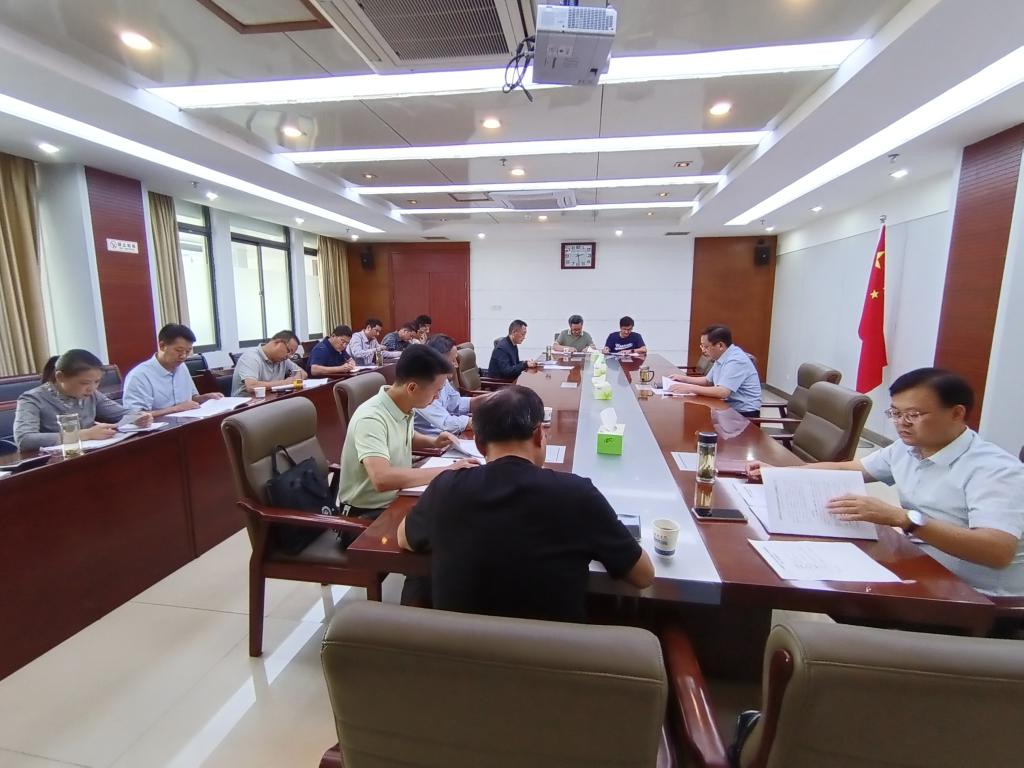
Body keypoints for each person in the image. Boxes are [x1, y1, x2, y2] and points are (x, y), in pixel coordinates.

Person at [749, 368, 1024, 596]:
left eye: (913, 415)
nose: (902, 423)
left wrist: (903, 519)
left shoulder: (995, 470)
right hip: (920, 564)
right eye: (895, 413)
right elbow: (851, 469)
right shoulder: (908, 447)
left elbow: (997, 551)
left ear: (956, 413)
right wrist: (780, 473)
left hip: (974, 596)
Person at [398, 385, 655, 622]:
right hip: (553, 653)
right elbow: (644, 576)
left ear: (478, 443)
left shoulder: (446, 487)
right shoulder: (577, 494)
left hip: (462, 651)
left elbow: (403, 537)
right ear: (539, 435)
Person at [335, 345, 478, 518]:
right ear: (411, 388)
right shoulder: (371, 418)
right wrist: (447, 470)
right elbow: (382, 479)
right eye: (436, 391)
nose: (437, 397)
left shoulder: (403, 406)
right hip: (368, 513)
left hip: (400, 496)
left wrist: (433, 442)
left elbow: (405, 436)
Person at [14, 349, 152, 451]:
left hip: (89, 455)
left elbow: (123, 413)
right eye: (84, 383)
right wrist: (85, 434)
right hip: (51, 463)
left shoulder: (92, 394)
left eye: (97, 382)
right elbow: (25, 439)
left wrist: (138, 418)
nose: (92, 388)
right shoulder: (32, 399)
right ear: (60, 377)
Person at [123, 323, 224, 417]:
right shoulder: (140, 375)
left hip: (187, 423)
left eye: (187, 351)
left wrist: (206, 398)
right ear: (162, 346)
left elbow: (191, 399)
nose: (183, 356)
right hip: (161, 429)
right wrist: (175, 409)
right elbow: (134, 416)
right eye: (179, 350)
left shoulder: (182, 367)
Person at [668, 325, 761, 417]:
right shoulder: (722, 356)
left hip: (743, 415)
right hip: (725, 408)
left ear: (720, 345)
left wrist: (690, 388)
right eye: (702, 346)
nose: (703, 350)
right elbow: (707, 381)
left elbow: (722, 392)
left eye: (706, 347)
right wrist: (683, 379)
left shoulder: (736, 360)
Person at [414, 334, 490, 436]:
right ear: (439, 360)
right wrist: (482, 422)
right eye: (452, 360)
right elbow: (446, 423)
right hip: (432, 442)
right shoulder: (422, 385)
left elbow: (455, 403)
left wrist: (488, 400)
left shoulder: (442, 379)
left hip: (447, 437)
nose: (456, 365)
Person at [231, 330, 307, 396]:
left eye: (292, 354)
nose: (289, 356)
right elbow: (251, 386)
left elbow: (303, 373)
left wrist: (295, 379)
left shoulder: (283, 359)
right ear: (277, 342)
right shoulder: (251, 357)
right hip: (247, 405)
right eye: (288, 350)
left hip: (271, 400)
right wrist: (286, 382)